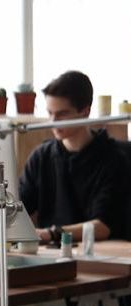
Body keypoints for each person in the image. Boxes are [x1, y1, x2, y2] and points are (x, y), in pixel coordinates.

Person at [19, 70, 126, 244]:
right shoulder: (41, 157)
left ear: (85, 112)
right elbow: (18, 209)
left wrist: (51, 233)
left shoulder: (114, 159)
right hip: (50, 254)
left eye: (61, 114)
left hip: (99, 254)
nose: (53, 121)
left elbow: (102, 226)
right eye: (49, 113)